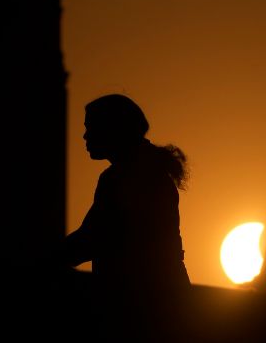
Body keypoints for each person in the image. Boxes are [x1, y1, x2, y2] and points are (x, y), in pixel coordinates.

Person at [62, 94, 191, 341]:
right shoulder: (145, 171)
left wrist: (40, 259)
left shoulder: (125, 176)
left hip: (142, 311)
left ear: (113, 129)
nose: (85, 137)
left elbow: (93, 238)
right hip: (164, 305)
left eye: (91, 128)